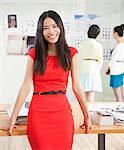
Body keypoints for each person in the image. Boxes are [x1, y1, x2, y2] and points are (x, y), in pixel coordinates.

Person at [6, 10, 92, 150]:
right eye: (45, 28)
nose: (51, 31)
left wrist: (87, 115)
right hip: (38, 115)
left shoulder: (71, 53)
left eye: (54, 26)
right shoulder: (34, 53)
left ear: (60, 27)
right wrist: (13, 117)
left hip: (62, 115)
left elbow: (77, 86)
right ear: (40, 32)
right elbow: (26, 85)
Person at [79, 24, 103, 102]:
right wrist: (98, 69)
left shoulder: (83, 43)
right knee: (91, 93)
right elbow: (100, 59)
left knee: (85, 92)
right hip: (93, 68)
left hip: (83, 67)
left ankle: (85, 111)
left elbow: (80, 56)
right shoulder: (98, 45)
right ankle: (90, 112)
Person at [106, 25, 124, 102]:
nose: (112, 34)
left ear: (116, 33)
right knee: (120, 95)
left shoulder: (119, 46)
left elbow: (113, 59)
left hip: (116, 71)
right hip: (119, 70)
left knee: (118, 96)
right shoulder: (121, 45)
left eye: (113, 32)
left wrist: (108, 68)